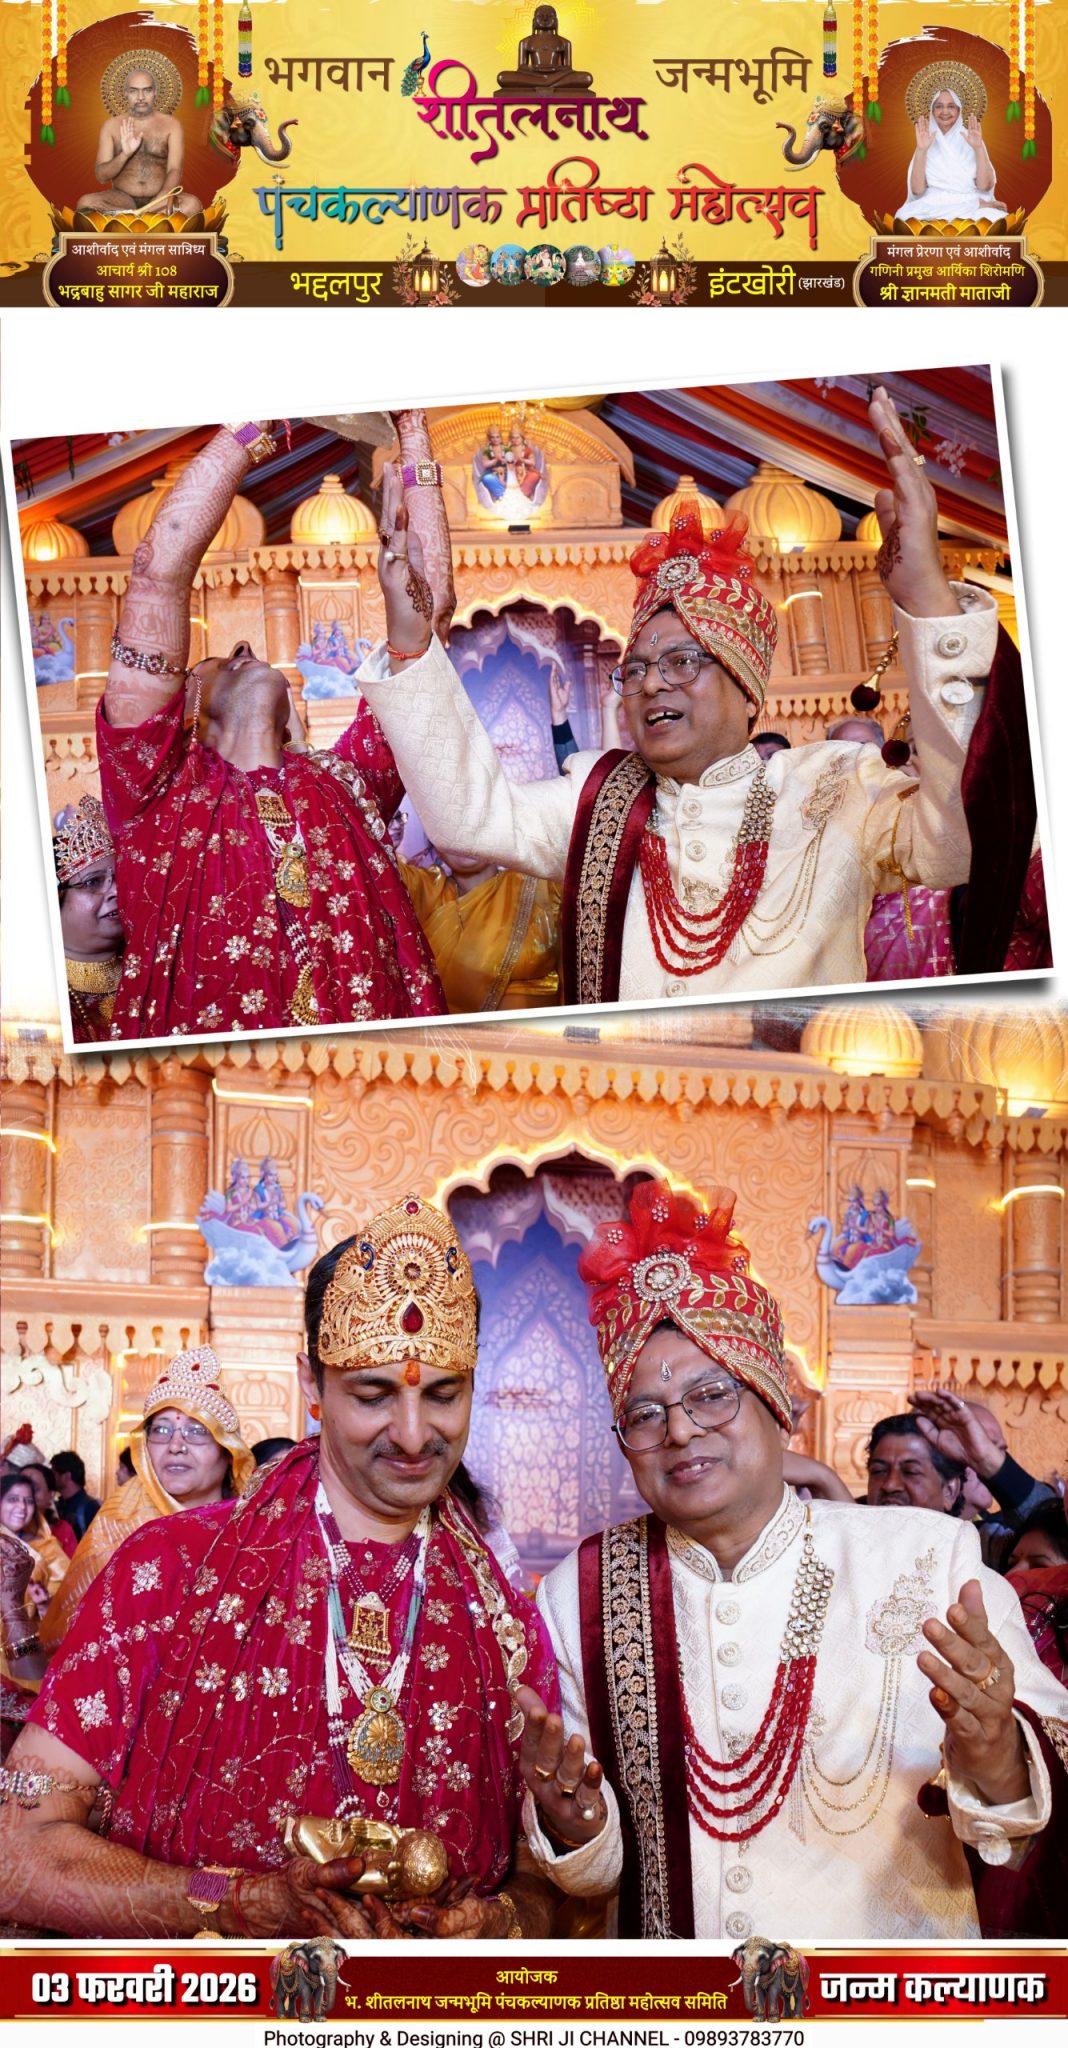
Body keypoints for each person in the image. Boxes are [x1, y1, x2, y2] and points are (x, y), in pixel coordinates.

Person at [514, 1179, 1067, 1938]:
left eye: (713, 1396)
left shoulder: (932, 1559)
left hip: (888, 1996)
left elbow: (1043, 1786)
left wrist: (999, 1753)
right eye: (644, 1414)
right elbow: (601, 1871)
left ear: (775, 1402)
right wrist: (576, 1825)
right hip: (687, 2001)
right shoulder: (581, 1593)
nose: (680, 1431)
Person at [1, 1197, 559, 1940]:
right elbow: (19, 1853)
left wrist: (503, 1919)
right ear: (311, 1384)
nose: (413, 1433)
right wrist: (238, 1902)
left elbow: (545, 1875)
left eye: (444, 1394)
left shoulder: (505, 1620)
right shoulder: (167, 1572)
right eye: (373, 1394)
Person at [358, 388, 1013, 1006]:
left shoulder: (837, 786)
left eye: (682, 661)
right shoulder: (601, 801)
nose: (651, 683)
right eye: (635, 668)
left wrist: (928, 599)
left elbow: (958, 842)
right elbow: (470, 820)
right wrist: (411, 641)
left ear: (747, 691)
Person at [96, 424, 445, 1036]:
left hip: (377, 1083)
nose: (242, 646)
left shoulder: (349, 782)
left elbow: (429, 617)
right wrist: (254, 420)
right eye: (211, 662)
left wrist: (412, 428)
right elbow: (156, 570)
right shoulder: (155, 793)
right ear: (177, 719)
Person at [38, 1350, 255, 1653]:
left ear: (228, 1450)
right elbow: (73, 1643)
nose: (176, 1445)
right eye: (162, 1430)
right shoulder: (116, 1525)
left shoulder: (255, 1532)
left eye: (197, 1431)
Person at [77, 54, 203, 219]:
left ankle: (130, 218)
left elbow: (174, 170)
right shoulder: (111, 126)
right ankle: (145, 218)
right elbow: (102, 176)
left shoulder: (172, 125)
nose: (141, 97)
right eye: (134, 91)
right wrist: (125, 155)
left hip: (160, 198)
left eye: (147, 90)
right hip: (122, 199)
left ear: (155, 92)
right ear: (125, 93)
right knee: (85, 203)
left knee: (193, 205)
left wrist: (160, 200)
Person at [52, 796, 125, 1042]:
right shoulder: (35, 995)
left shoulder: (158, 973)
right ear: (57, 898)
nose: (116, 891)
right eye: (93, 882)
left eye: (121, 878)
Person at [902, 79, 1004, 225]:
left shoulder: (972, 137)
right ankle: (979, 206)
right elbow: (917, 191)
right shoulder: (925, 139)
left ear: (959, 110)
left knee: (996, 219)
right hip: (934, 203)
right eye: (939, 106)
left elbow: (985, 186)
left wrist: (978, 148)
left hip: (968, 200)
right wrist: (921, 149)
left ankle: (979, 207)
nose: (945, 112)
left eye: (951, 106)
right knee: (903, 216)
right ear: (932, 111)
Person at [865, 1414, 966, 1514]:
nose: (890, 1485)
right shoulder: (856, 1521)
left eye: (910, 1472)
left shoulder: (966, 1526)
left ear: (949, 1491)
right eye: (878, 1471)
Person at [496, 6, 594, 94]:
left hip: (556, 75)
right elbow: (522, 67)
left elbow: (567, 68)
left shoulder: (564, 42)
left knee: (586, 78)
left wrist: (555, 69)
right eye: (541, 16)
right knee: (502, 77)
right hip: (534, 75)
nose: (545, 18)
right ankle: (548, 83)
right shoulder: (525, 42)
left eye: (549, 16)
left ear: (555, 21)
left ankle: (543, 83)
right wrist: (533, 68)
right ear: (534, 21)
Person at [48, 1454, 100, 1546]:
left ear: (66, 1477)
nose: (51, 1479)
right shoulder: (57, 1505)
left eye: (53, 1473)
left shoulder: (89, 1507)